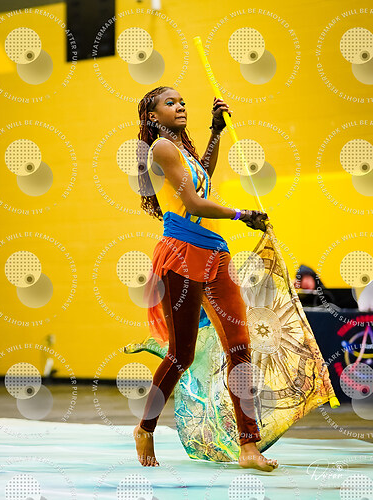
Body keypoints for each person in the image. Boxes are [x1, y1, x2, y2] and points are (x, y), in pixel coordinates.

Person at [132, 85, 278, 472]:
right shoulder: (162, 149)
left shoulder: (183, 151)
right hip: (181, 252)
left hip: (215, 252)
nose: (180, 106)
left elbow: (203, 179)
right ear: (153, 116)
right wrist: (241, 215)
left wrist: (216, 131)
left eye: (183, 101)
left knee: (240, 346)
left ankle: (249, 446)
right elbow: (193, 202)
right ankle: (145, 428)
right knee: (181, 355)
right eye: (170, 103)